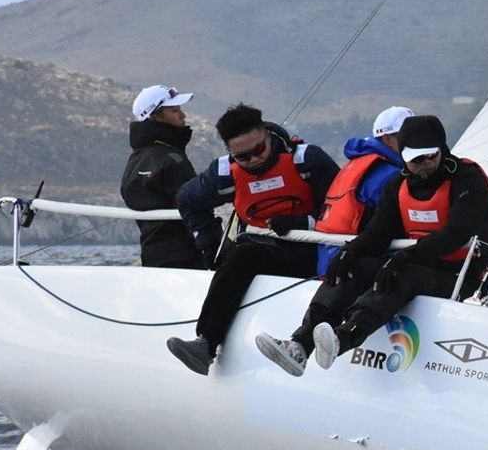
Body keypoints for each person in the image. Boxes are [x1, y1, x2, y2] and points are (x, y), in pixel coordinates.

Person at [256, 114, 488, 377]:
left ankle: (342, 339)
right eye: (417, 159)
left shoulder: (467, 180)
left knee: (402, 273)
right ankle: (300, 345)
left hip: (462, 277)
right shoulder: (397, 185)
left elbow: (456, 232)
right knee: (352, 266)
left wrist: (406, 256)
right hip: (418, 263)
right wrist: (351, 251)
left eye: (432, 155)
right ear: (404, 156)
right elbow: (379, 232)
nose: (426, 163)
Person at [165, 103, 340, 375]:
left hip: (310, 249)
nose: (254, 160)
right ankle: (206, 344)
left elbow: (343, 210)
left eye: (259, 150)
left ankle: (305, 341)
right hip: (264, 247)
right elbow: (187, 200)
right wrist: (209, 245)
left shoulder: (307, 161)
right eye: (243, 157)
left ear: (267, 136)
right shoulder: (225, 173)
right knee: (239, 256)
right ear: (231, 153)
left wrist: (301, 223)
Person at [313, 105, 413, 274]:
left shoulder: (356, 163)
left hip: (329, 259)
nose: (413, 142)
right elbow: (389, 223)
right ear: (388, 138)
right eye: (407, 137)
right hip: (353, 264)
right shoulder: (391, 174)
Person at [120, 85, 206, 269]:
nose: (183, 115)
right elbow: (194, 206)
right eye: (175, 110)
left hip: (152, 255)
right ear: (154, 117)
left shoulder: (136, 160)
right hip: (186, 257)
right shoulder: (171, 160)